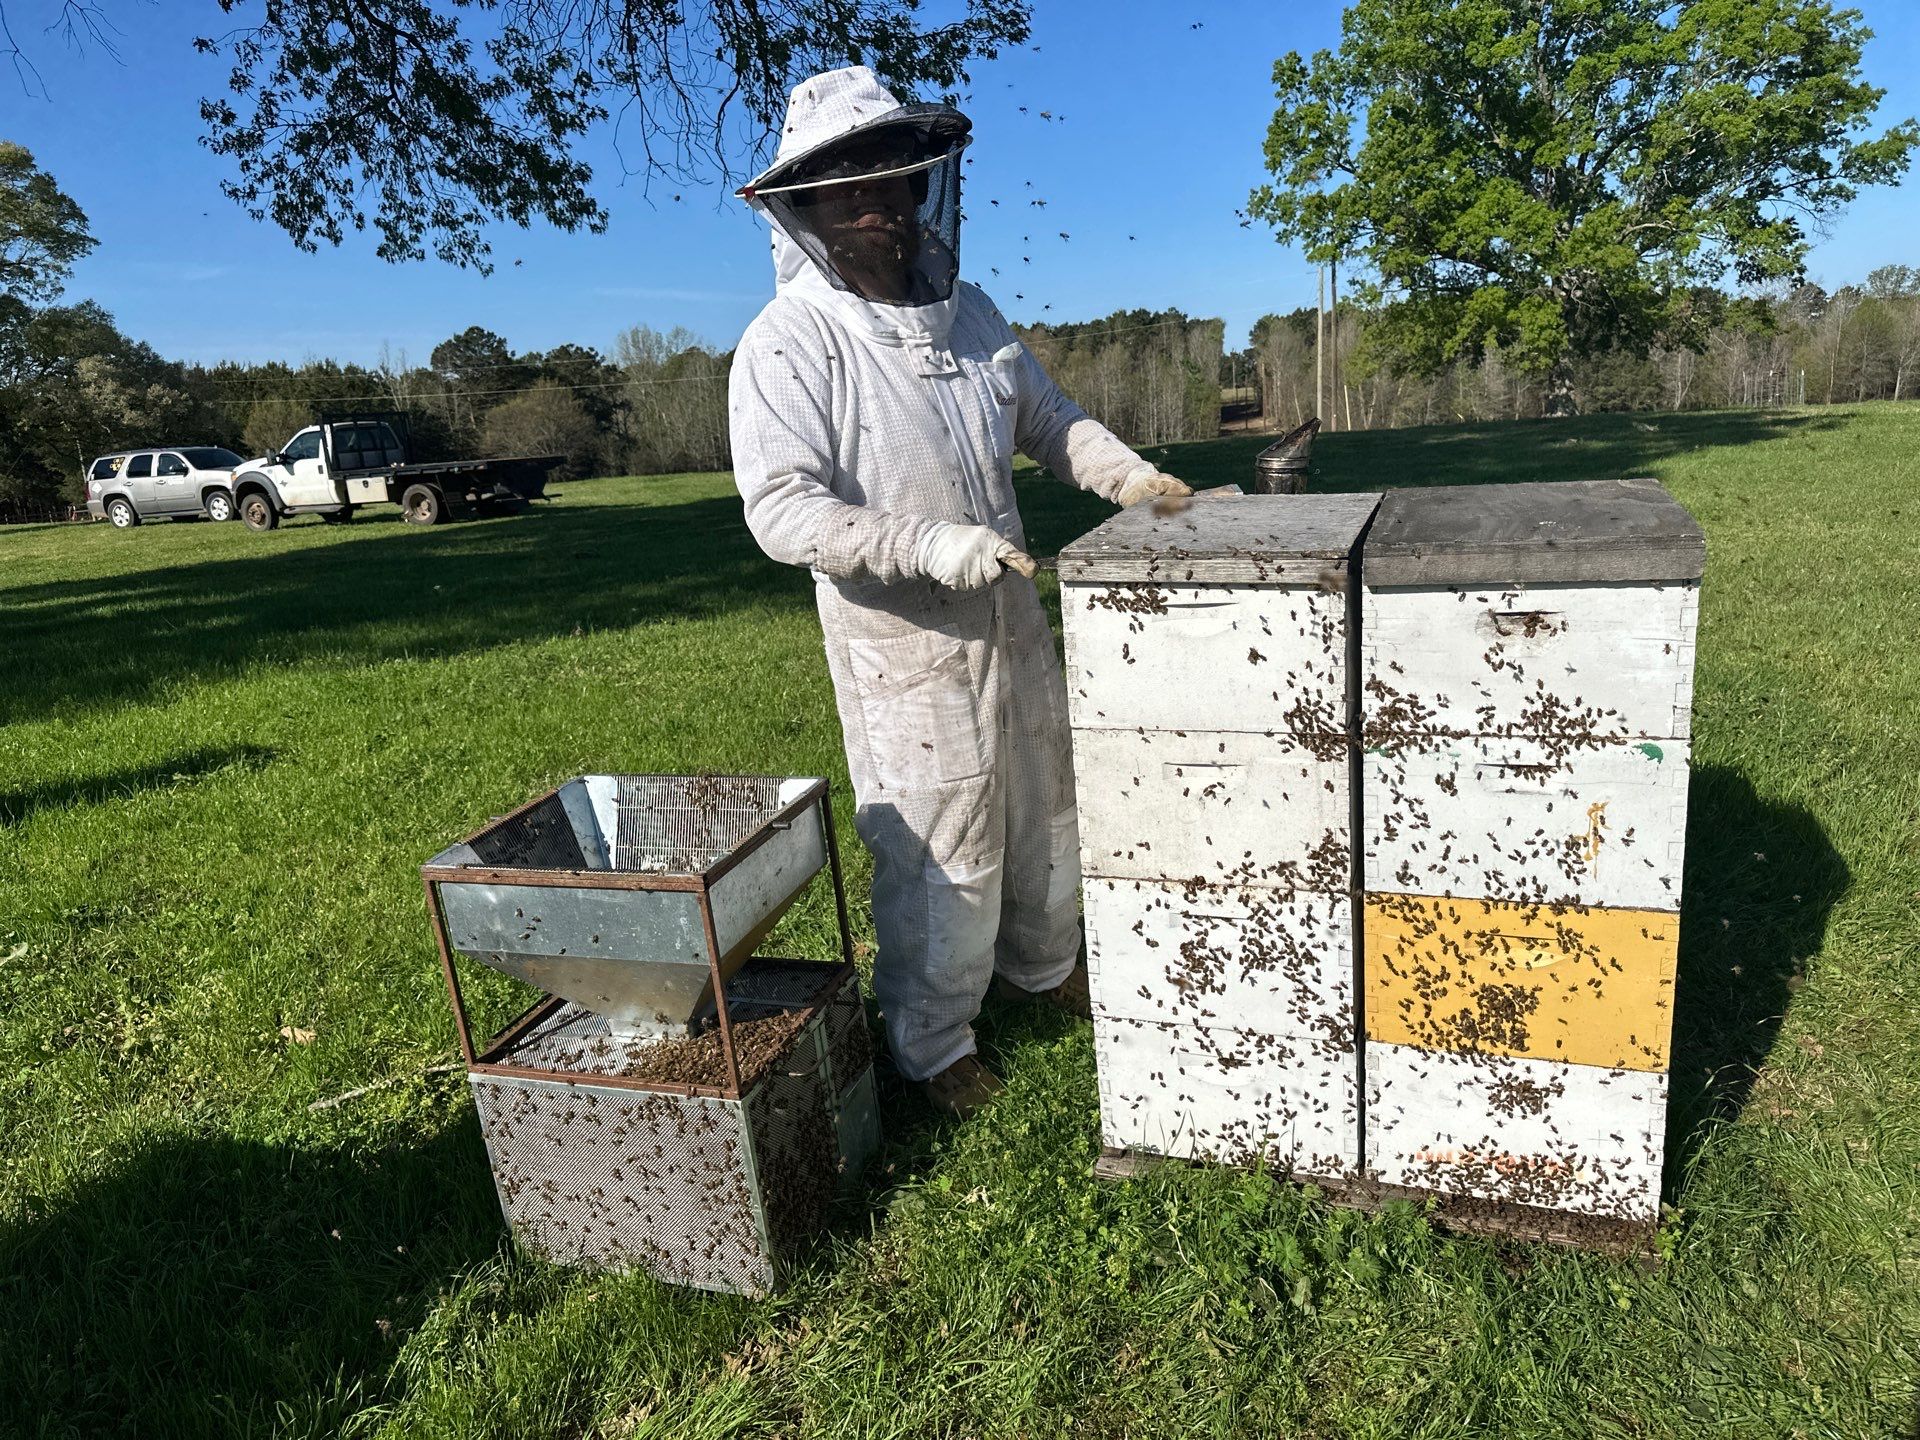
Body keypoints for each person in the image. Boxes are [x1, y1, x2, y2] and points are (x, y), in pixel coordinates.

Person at [728, 66, 1192, 1116]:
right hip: (907, 650)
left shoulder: (969, 314)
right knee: (945, 848)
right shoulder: (788, 344)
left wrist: (1127, 476)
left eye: (891, 185)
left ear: (922, 190)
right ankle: (932, 1045)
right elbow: (781, 510)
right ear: (799, 209)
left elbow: (1048, 418)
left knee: (1044, 811)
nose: (876, 207)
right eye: (848, 189)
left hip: (1010, 619)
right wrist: (929, 544)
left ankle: (1043, 968)